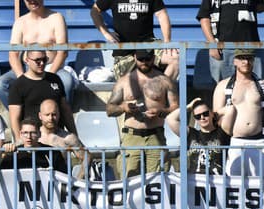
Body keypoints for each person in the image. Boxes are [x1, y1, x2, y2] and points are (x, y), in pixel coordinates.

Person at [105, 49, 177, 177]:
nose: (144, 62)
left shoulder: (164, 80)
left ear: (153, 58)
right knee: (128, 181)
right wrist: (124, 108)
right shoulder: (124, 81)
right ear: (134, 57)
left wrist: (161, 112)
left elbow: (175, 107)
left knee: (158, 180)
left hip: (156, 136)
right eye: (141, 59)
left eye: (147, 59)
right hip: (132, 136)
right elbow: (109, 109)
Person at [0, 0, 72, 112]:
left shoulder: (56, 18)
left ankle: (62, 120)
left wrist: (50, 76)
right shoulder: (20, 22)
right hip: (26, 69)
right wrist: (22, 78)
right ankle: (22, 118)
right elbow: (13, 54)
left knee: (67, 81)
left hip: (51, 67)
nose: (33, 1)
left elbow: (62, 52)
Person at [213, 48, 264, 177]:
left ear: (253, 61)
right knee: (233, 185)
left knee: (263, 184)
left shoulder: (263, 85)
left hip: (260, 141)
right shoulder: (222, 86)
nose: (246, 62)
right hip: (234, 142)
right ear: (234, 61)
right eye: (242, 58)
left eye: (249, 58)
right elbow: (215, 119)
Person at [91, 0, 178, 80]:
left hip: (148, 47)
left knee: (175, 58)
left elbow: (162, 14)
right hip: (124, 54)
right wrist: (106, 33)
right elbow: (95, 11)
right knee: (129, 88)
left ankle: (160, 91)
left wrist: (167, 41)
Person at [7, 49, 75, 141]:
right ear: (27, 60)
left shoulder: (55, 79)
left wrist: (74, 134)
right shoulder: (18, 85)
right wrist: (19, 141)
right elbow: (14, 118)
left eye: (44, 59)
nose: (42, 63)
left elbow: (65, 110)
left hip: (56, 138)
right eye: (37, 60)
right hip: (33, 140)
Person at [198, 0, 264, 83]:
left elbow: (262, 7)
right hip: (222, 47)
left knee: (255, 87)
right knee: (222, 88)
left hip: (251, 45)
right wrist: (212, 44)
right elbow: (204, 17)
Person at [165, 97, 232, 175]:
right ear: (195, 119)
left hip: (217, 182)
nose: (202, 118)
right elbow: (170, 119)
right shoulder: (191, 133)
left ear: (211, 113)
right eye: (198, 116)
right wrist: (189, 106)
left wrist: (215, 113)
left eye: (205, 114)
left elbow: (230, 110)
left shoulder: (222, 132)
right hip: (194, 182)